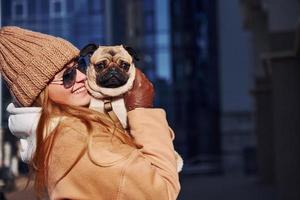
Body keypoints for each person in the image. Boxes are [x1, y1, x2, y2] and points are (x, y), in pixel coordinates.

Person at [0, 26, 180, 200]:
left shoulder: (59, 132)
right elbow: (162, 192)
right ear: (40, 93)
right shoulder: (78, 139)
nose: (81, 77)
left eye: (80, 66)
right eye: (67, 76)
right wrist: (143, 110)